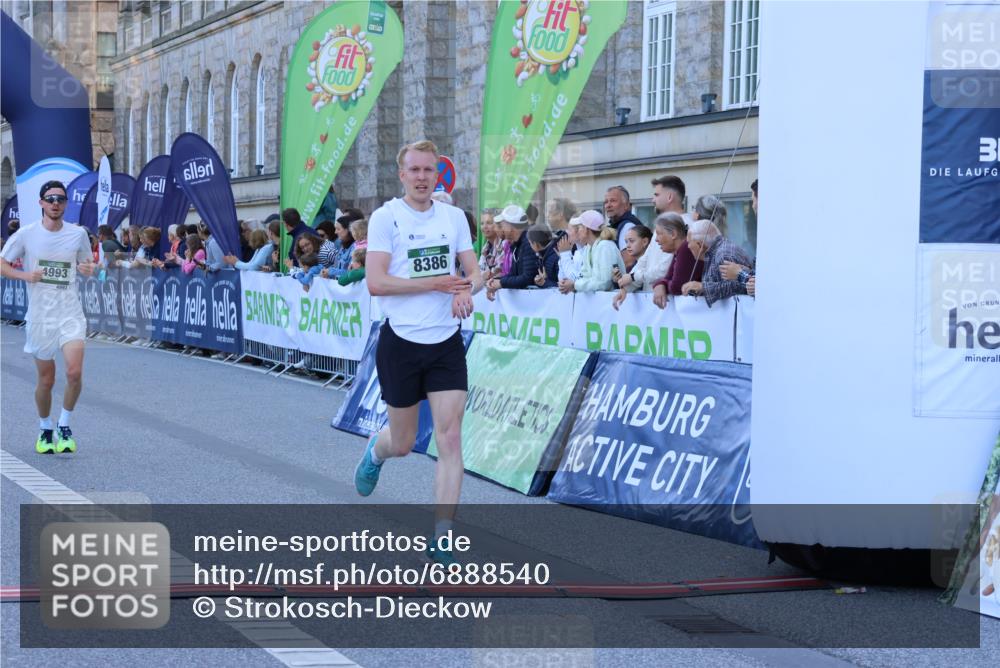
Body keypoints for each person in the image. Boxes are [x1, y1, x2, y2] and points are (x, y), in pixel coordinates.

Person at [355, 139, 481, 566]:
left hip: (445, 342)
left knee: (449, 436)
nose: (423, 178)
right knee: (405, 443)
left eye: (429, 170)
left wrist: (466, 291)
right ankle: (377, 450)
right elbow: (376, 282)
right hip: (401, 342)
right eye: (415, 171)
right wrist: (434, 284)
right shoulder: (386, 217)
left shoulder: (453, 217)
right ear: (402, 174)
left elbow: (475, 271)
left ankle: (443, 536)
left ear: (436, 174)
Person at [0, 180, 96, 454]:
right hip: (41, 316)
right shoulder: (27, 234)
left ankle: (64, 424)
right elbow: (2, 264)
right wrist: (25, 276)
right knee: (47, 380)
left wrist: (88, 269)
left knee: (74, 373)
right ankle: (45, 428)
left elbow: (86, 264)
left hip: (70, 312)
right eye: (51, 199)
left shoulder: (77, 234)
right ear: (41, 203)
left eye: (60, 199)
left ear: (65, 204)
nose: (55, 203)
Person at [681, 212, 755, 306]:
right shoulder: (715, 252)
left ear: (700, 245)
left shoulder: (724, 255)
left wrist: (703, 287)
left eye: (689, 242)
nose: (688, 246)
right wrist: (702, 290)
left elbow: (739, 287)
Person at [558, 209, 623, 293]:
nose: (578, 231)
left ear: (586, 229)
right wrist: (571, 285)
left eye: (579, 228)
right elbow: (584, 277)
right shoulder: (589, 248)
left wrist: (575, 285)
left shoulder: (605, 246)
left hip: (611, 302)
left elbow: (604, 283)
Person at [485, 204, 538, 296]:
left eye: (503, 225)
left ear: (511, 227)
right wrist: (496, 282)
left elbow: (527, 278)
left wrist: (501, 283)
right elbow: (513, 274)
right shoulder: (517, 244)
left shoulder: (528, 242)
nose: (501, 229)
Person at [650, 213, 693, 309]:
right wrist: (660, 284)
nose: (656, 240)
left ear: (673, 234)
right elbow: (668, 278)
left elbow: (676, 287)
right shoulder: (679, 250)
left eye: (659, 234)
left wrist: (661, 284)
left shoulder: (686, 248)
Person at [603, 185, 642, 264]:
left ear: (626, 205)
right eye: (606, 202)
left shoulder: (628, 226)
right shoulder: (615, 225)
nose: (608, 205)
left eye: (613, 201)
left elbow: (628, 262)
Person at [477, 209, 505, 280]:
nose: (484, 227)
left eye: (489, 223)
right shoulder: (485, 248)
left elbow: (500, 271)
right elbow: (479, 272)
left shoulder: (505, 244)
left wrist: (486, 275)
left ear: (497, 225)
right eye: (482, 223)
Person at [557, 215, 583, 282]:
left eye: (569, 229)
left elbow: (575, 279)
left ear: (579, 230)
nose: (566, 232)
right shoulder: (577, 253)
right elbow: (562, 280)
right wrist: (561, 258)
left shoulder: (587, 251)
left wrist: (565, 254)